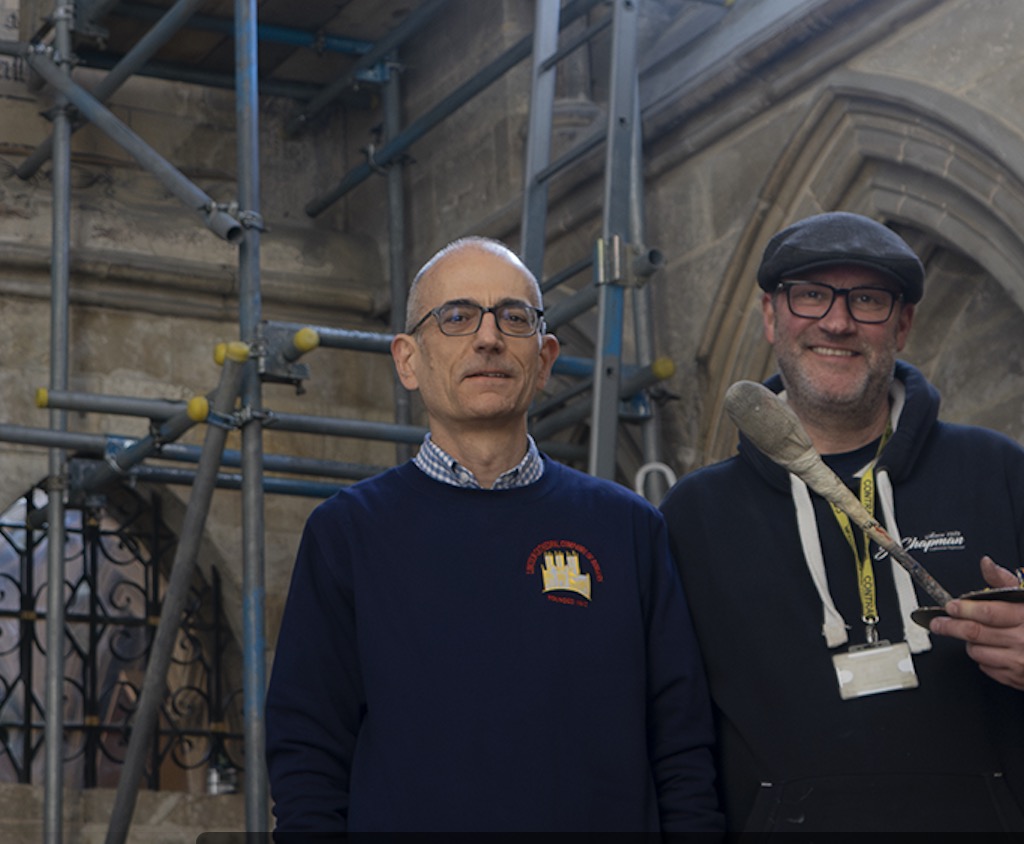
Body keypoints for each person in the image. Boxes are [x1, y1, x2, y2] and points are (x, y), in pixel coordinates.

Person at [659, 211, 1024, 834]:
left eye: (868, 300)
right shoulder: (693, 519)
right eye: (811, 295)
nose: (837, 321)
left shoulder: (999, 473)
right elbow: (672, 745)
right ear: (771, 315)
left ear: (903, 324)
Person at [266, 236, 723, 833]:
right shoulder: (348, 533)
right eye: (456, 317)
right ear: (408, 359)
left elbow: (683, 749)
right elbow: (308, 751)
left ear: (545, 358)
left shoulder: (628, 527)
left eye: (513, 317)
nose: (488, 338)